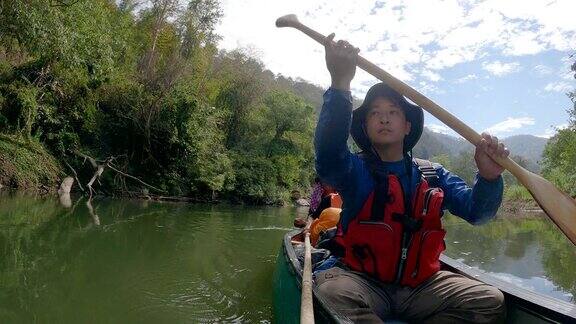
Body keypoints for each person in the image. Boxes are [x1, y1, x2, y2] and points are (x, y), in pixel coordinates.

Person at [313, 33, 510, 323]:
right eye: (375, 114)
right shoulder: (354, 170)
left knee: (489, 301)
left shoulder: (433, 175)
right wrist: (340, 83)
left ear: (407, 126)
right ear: (365, 128)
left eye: (393, 112)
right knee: (333, 293)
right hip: (362, 282)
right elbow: (328, 157)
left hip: (421, 288)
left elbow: (479, 213)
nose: (384, 118)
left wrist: (489, 178)